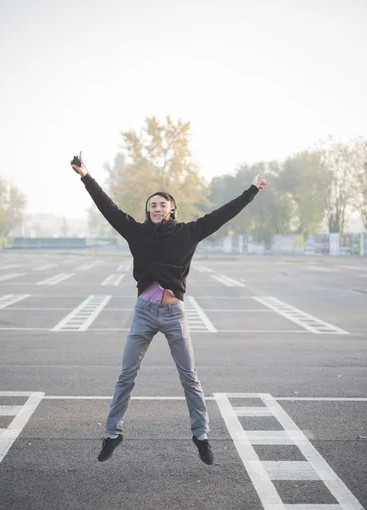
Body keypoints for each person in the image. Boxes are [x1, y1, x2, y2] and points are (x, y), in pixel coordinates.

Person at [71, 151, 266, 464]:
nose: (156, 208)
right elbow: (107, 207)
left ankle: (201, 436)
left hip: (174, 314)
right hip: (144, 312)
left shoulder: (189, 232)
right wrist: (86, 176)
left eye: (162, 204)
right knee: (126, 374)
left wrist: (252, 190)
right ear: (148, 211)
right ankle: (112, 433)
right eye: (152, 205)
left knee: (189, 376)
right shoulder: (136, 232)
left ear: (172, 209)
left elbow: (223, 214)